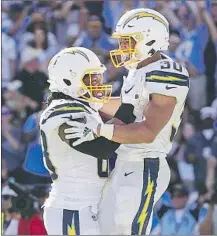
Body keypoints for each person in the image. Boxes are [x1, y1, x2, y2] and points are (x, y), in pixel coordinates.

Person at [63, 8, 190, 235]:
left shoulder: (165, 73)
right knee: (103, 229)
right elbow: (127, 109)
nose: (122, 48)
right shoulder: (139, 70)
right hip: (125, 160)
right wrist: (87, 100)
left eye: (127, 42)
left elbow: (147, 131)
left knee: (128, 230)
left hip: (145, 163)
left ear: (149, 38)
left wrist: (98, 128)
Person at [40, 46, 115, 235]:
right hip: (72, 208)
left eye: (99, 78)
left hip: (89, 206)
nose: (97, 85)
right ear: (68, 80)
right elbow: (100, 149)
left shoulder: (84, 108)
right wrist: (125, 120)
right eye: (91, 79)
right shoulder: (62, 111)